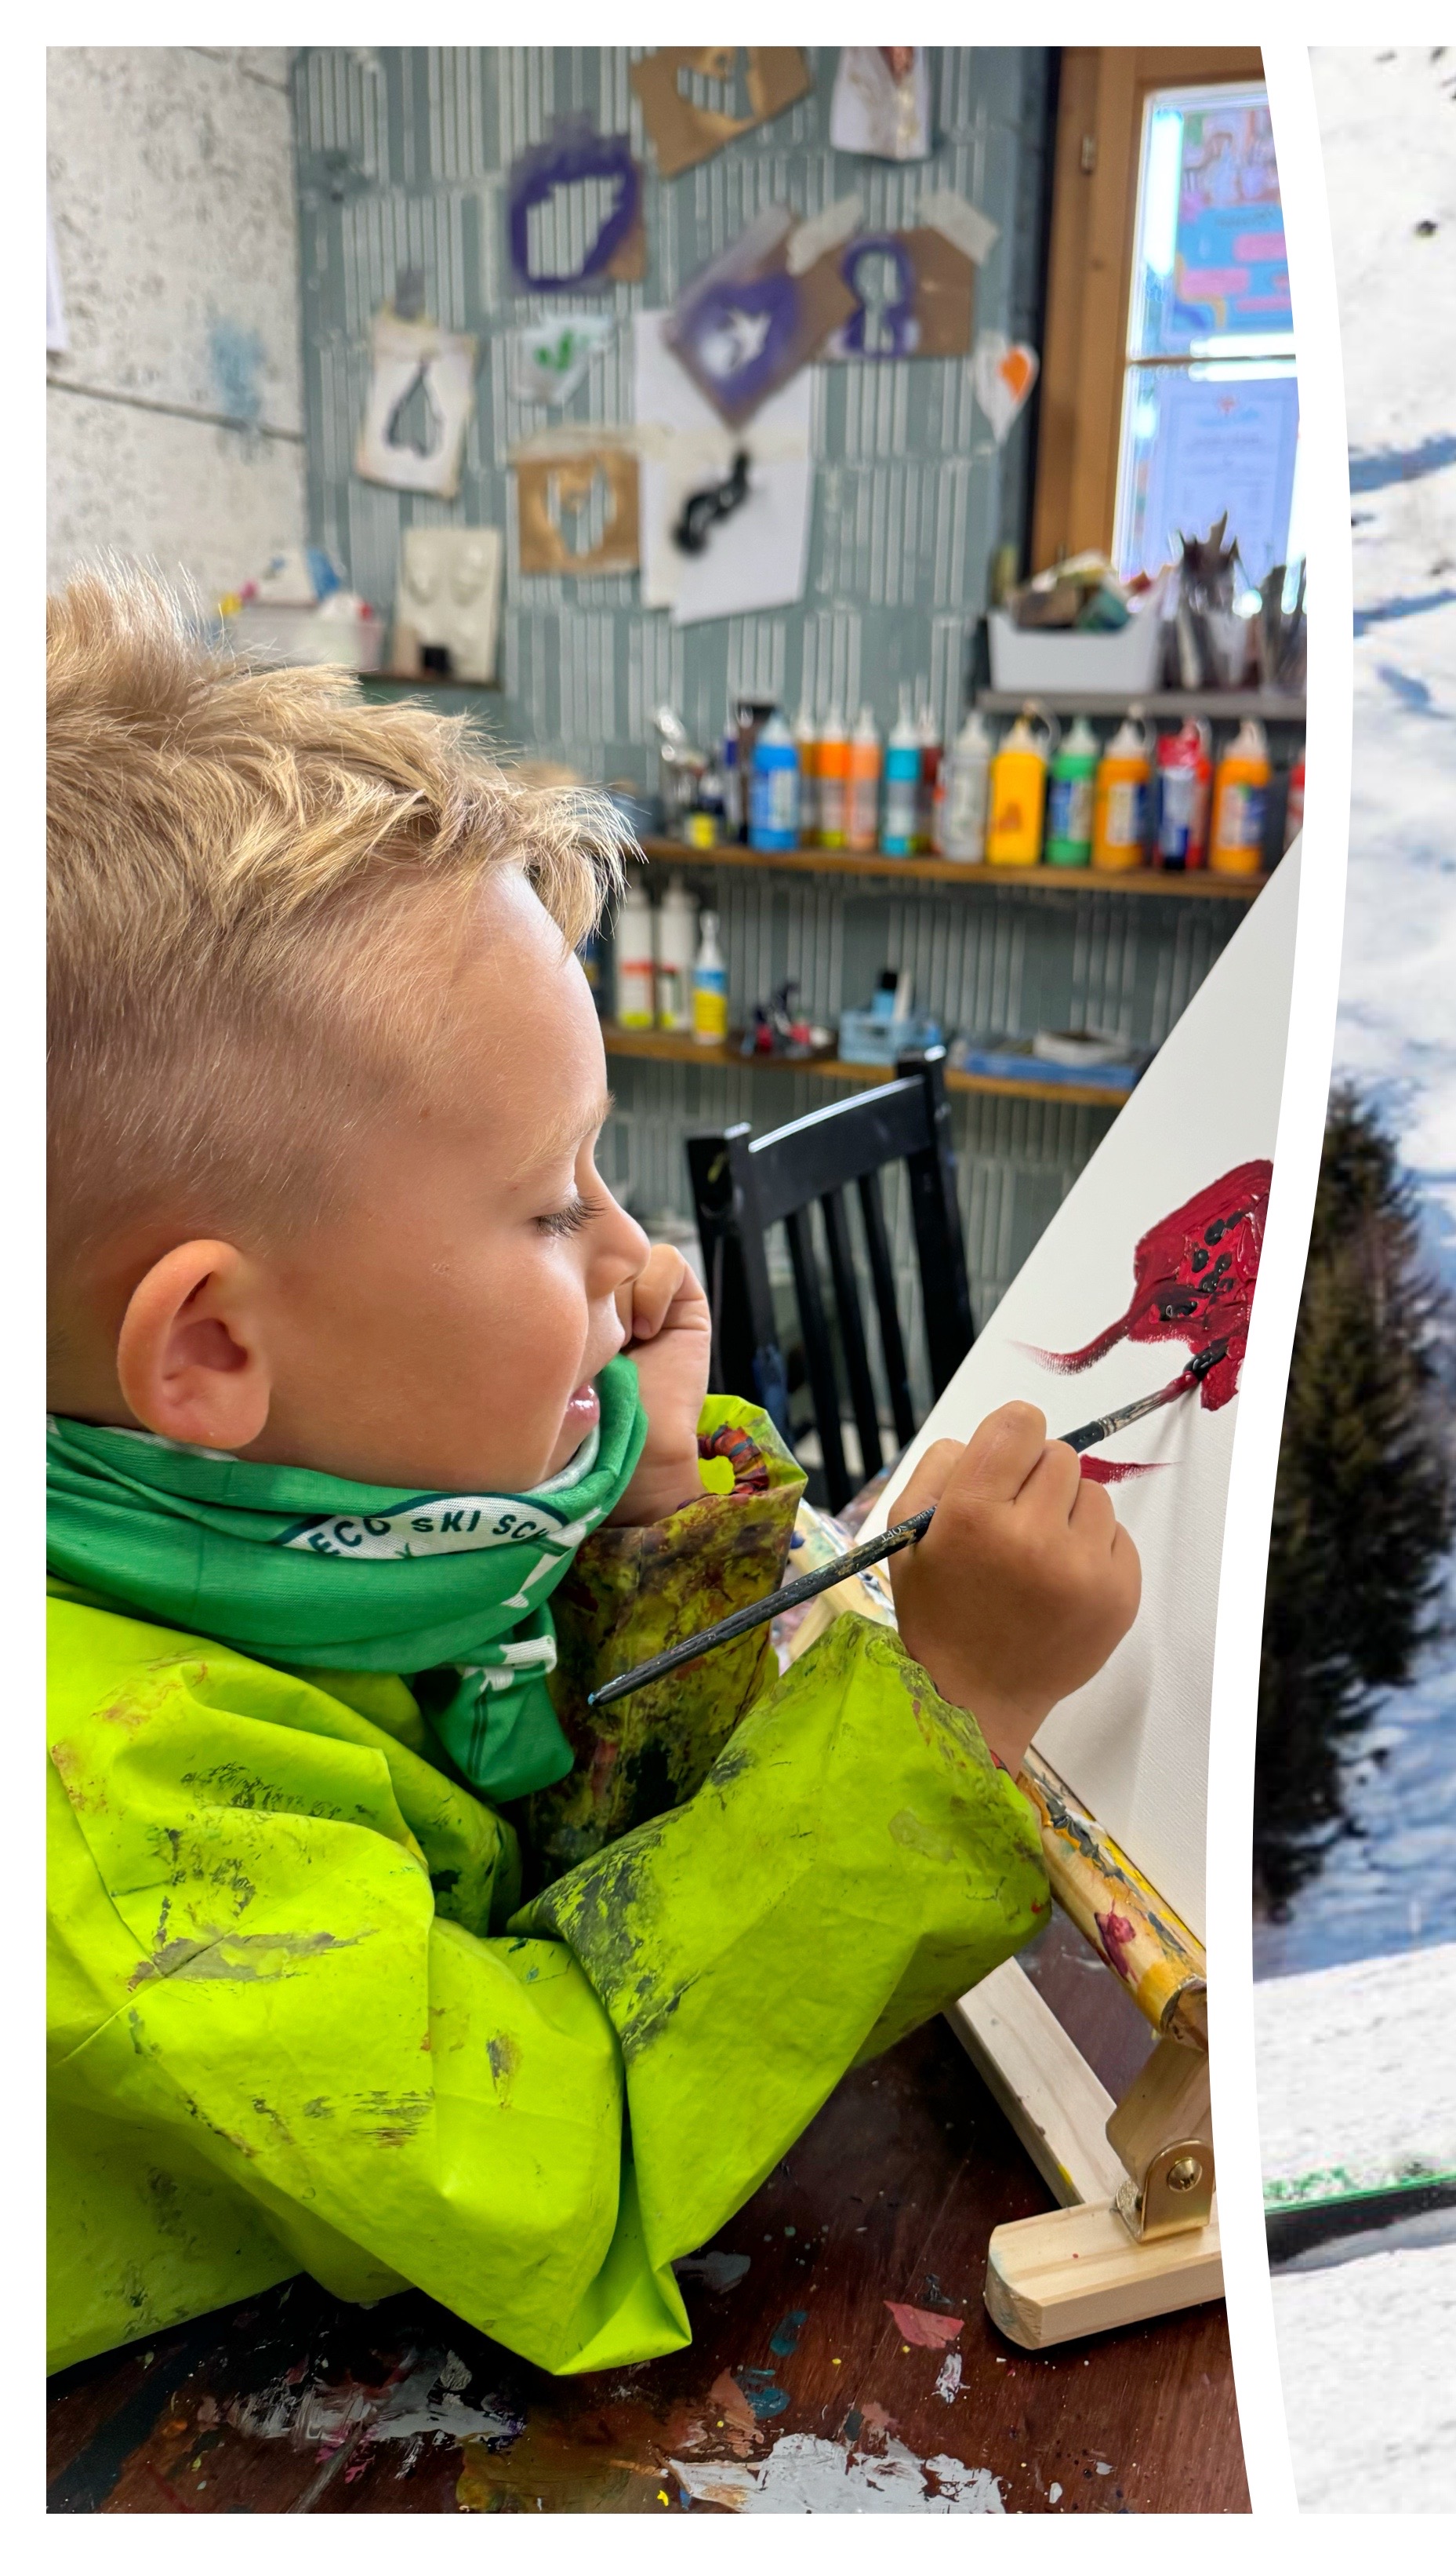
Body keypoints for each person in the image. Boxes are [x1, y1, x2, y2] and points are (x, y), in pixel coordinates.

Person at [45, 567, 1140, 2375]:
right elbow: (572, 2161)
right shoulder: (118, 1825)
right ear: (215, 1352)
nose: (637, 1263)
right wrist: (943, 1707)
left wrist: (657, 1532)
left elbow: (545, 1869)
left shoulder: (334, 1529)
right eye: (554, 1203)